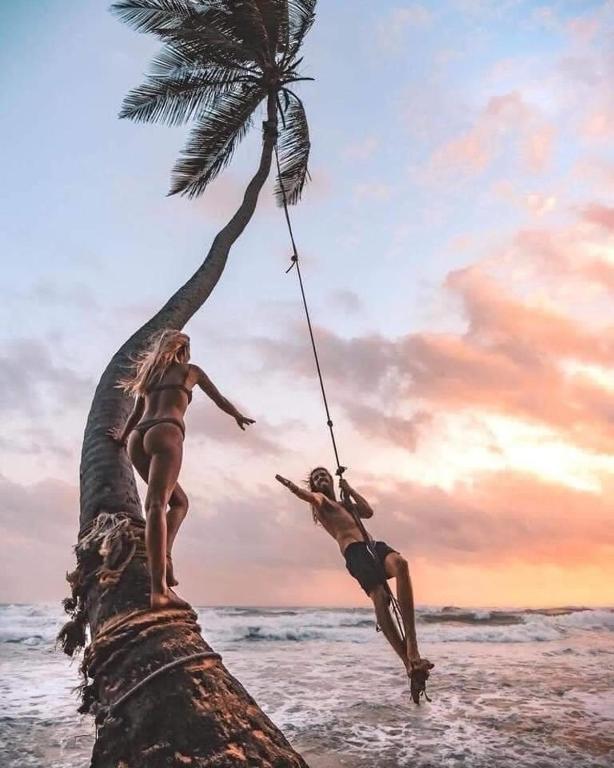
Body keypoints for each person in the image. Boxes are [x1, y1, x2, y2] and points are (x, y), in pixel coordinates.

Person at [108, 329, 254, 610]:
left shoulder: (151, 374)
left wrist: (122, 437)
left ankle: (165, 556)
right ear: (184, 350)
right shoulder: (191, 371)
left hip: (138, 438)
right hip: (166, 430)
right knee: (156, 506)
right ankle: (159, 590)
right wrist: (237, 415)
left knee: (179, 502)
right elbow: (219, 399)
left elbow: (137, 412)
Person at [275, 467, 433, 703]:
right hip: (355, 552)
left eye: (324, 475)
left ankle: (412, 646)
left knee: (401, 564)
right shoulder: (322, 503)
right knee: (380, 597)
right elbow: (309, 497)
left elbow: (368, 511)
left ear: (331, 479)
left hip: (372, 545)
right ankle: (408, 663)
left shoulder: (345, 505)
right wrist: (293, 488)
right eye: (316, 478)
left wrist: (349, 490)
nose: (321, 478)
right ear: (315, 485)